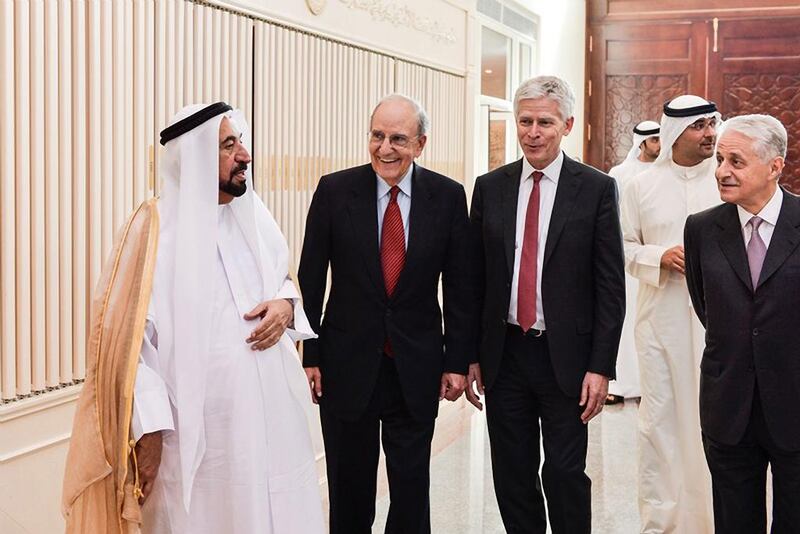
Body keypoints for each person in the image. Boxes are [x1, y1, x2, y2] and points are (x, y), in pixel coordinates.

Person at [62, 102, 325, 534]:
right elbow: (131, 345)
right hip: (197, 436)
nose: (245, 155)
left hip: (272, 421)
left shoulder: (254, 216)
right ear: (197, 157)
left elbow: (283, 280)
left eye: (239, 141)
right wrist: (149, 434)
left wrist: (285, 305)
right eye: (228, 146)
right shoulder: (155, 230)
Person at [297, 94, 475, 534]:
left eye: (398, 138)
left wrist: (456, 361)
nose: (385, 148)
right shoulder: (335, 191)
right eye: (377, 136)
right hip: (345, 365)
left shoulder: (448, 197)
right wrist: (311, 355)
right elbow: (311, 279)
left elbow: (460, 286)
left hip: (415, 367)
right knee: (349, 491)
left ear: (421, 143)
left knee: (411, 493)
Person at [466, 75, 626, 534]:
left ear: (567, 125)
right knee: (512, 473)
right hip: (506, 354)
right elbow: (473, 280)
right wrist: (470, 354)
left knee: (563, 471)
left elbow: (610, 285)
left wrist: (601, 366)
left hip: (568, 359)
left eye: (544, 122)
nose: (532, 132)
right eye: (525, 121)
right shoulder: (490, 186)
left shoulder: (595, 188)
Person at [685, 114, 800, 534]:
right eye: (719, 159)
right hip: (728, 402)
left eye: (736, 161)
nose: (721, 171)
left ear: (775, 167)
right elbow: (707, 307)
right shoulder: (701, 229)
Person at [620, 95, 721, 533]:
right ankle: (662, 521)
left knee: (715, 421)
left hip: (718, 323)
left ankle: (715, 518)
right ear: (675, 133)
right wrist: (658, 256)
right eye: (699, 127)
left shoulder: (726, 179)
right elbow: (619, 247)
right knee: (659, 422)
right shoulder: (639, 186)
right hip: (660, 320)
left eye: (712, 125)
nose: (710, 134)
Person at [606, 120, 661, 404]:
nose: (659, 145)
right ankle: (622, 384)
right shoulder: (620, 173)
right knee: (627, 322)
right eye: (654, 140)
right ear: (642, 143)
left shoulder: (664, 174)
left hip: (656, 260)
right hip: (627, 257)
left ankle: (646, 385)